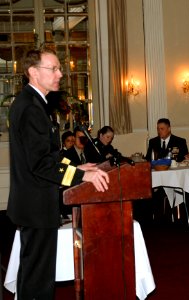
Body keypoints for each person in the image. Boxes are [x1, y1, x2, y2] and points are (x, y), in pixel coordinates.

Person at [7, 48, 109, 299]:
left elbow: (44, 157)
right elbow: (41, 165)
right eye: (53, 68)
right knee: (38, 278)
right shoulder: (31, 108)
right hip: (37, 204)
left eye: (59, 68)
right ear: (33, 72)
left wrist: (76, 168)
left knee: (33, 271)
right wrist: (82, 176)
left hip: (32, 202)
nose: (60, 74)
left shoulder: (31, 103)